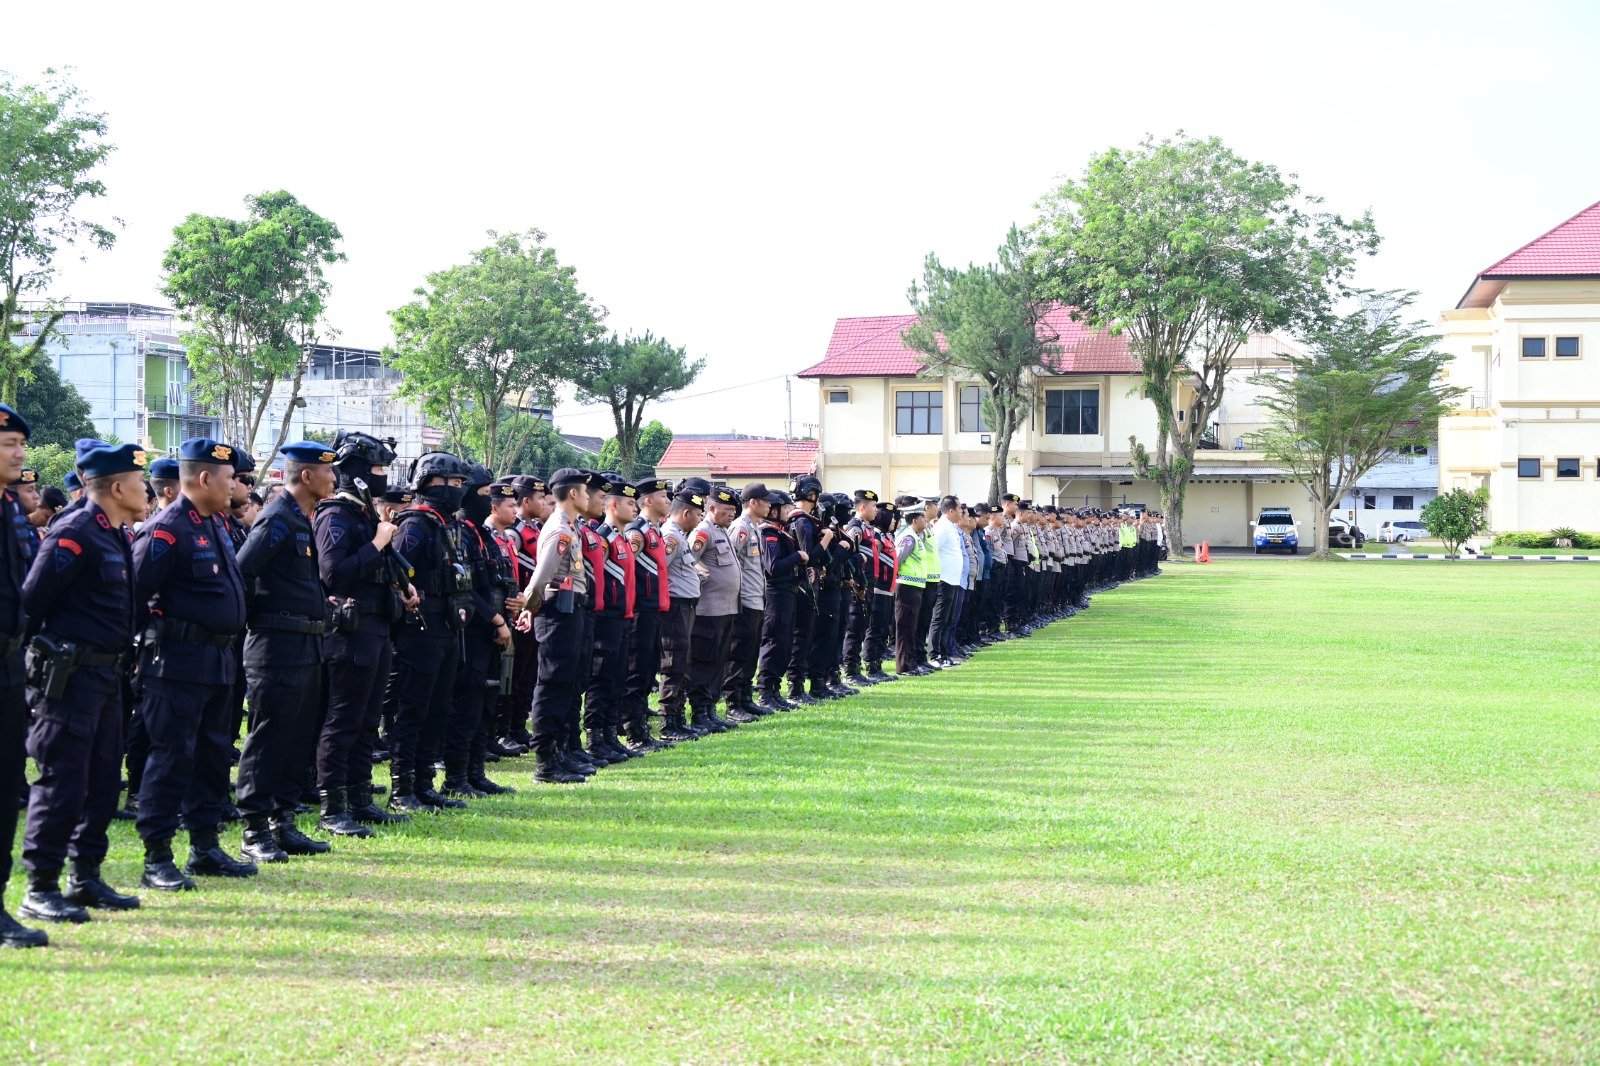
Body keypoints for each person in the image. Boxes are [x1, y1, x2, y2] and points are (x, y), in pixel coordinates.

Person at [16, 441, 148, 929]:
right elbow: (32, 603)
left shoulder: (112, 532)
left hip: (107, 676)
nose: (148, 491)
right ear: (116, 488)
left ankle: (85, 875)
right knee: (62, 781)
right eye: (139, 484)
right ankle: (41, 886)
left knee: (99, 781)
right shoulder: (74, 532)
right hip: (68, 680)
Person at [131, 438, 253, 891]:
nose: (235, 486)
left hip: (218, 659)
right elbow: (134, 597)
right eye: (229, 479)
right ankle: (157, 856)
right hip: (176, 662)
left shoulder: (215, 524)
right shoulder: (166, 529)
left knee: (212, 753)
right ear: (204, 478)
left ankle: (205, 845)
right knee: (172, 757)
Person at [235, 442, 340, 864]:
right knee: (268, 740)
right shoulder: (277, 520)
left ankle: (283, 820)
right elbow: (242, 571)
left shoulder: (302, 519)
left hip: (306, 646)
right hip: (276, 648)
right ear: (307, 476)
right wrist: (257, 620)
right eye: (327, 472)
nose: (334, 479)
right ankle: (255, 827)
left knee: (297, 739)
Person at [313, 432, 413, 829]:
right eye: (377, 470)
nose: (383, 477)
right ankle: (332, 806)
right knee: (343, 719)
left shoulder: (364, 514)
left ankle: (359, 795)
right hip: (349, 631)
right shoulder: (335, 515)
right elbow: (334, 574)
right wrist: (375, 543)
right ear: (355, 473)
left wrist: (404, 583)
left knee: (367, 718)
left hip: (376, 626)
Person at [389, 451, 473, 811]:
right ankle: (402, 788)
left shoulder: (446, 525)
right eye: (452, 483)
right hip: (420, 629)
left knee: (437, 708)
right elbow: (396, 574)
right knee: (413, 708)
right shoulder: (415, 525)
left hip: (447, 627)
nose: (457, 490)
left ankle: (424, 783)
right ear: (430, 484)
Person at [0, 405, 46, 946]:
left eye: (19, 443)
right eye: (8, 444)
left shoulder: (11, 506)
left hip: (11, 665)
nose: (18, 453)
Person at [520, 468, 590, 784]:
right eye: (586, 492)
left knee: (565, 684)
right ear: (573, 494)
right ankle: (546, 761)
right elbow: (540, 578)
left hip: (570, 610)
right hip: (556, 613)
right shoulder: (560, 530)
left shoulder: (570, 526)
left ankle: (560, 753)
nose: (589, 497)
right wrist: (529, 609)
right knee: (552, 684)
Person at [584, 474, 640, 762]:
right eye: (631, 503)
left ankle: (609, 733)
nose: (637, 509)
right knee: (601, 677)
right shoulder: (603, 538)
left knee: (617, 677)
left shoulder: (621, 538)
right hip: (606, 617)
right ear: (613, 506)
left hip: (623, 616)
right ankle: (595, 736)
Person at [622, 477, 672, 750]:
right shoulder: (637, 531)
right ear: (649, 501)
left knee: (648, 669)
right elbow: (626, 569)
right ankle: (634, 731)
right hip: (641, 610)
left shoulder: (655, 530)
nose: (668, 501)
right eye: (663, 497)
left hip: (655, 609)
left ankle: (640, 727)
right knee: (637, 672)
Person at [688, 486, 741, 730]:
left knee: (719, 661)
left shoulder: (722, 531)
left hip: (727, 608)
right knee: (704, 661)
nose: (732, 514)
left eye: (733, 510)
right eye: (727, 509)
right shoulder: (703, 532)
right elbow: (687, 560)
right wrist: (699, 570)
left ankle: (710, 709)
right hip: (708, 610)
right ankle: (699, 711)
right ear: (711, 508)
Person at [657, 481, 706, 742]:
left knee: (682, 663)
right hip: (675, 608)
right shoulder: (672, 537)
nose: (699, 521)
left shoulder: (680, 536)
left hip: (685, 607)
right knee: (674, 663)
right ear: (686, 513)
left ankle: (677, 716)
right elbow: (659, 572)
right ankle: (668, 721)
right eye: (698, 515)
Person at [722, 484, 770, 718]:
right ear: (753, 502)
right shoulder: (740, 528)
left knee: (751, 652)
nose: (769, 505)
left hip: (756, 598)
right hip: (745, 600)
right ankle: (733, 702)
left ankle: (744, 697)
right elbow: (732, 562)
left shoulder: (754, 528)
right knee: (740, 651)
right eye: (765, 500)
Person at [756, 489, 804, 711]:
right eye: (785, 509)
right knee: (774, 642)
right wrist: (797, 557)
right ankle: (766, 691)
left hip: (789, 592)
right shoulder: (769, 534)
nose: (788, 512)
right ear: (774, 511)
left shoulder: (781, 533)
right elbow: (773, 567)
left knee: (784, 644)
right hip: (776, 594)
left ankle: (775, 690)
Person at [785, 476, 825, 704]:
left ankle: (799, 683)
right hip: (804, 585)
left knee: (805, 635)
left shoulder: (803, 519)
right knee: (801, 636)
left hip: (805, 584)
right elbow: (809, 556)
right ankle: (795, 686)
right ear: (812, 495)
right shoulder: (802, 521)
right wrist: (827, 541)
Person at [893, 501, 929, 676]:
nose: (925, 519)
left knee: (911, 628)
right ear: (914, 519)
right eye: (922, 516)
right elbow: (898, 561)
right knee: (905, 628)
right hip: (906, 586)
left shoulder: (916, 536)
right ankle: (905, 666)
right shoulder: (908, 537)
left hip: (915, 586)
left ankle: (911, 663)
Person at [929, 496, 964, 668]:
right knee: (939, 618)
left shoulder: (951, 527)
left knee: (947, 619)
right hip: (943, 579)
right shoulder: (942, 527)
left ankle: (943, 654)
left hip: (952, 580)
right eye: (959, 508)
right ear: (951, 511)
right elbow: (933, 551)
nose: (961, 512)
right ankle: (935, 655)